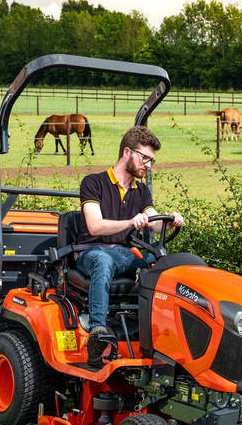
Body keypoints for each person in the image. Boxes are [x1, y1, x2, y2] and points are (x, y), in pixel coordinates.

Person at [75, 125, 184, 366]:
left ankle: (160, 332)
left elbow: (155, 223)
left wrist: (170, 221)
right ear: (127, 152)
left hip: (125, 254)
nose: (148, 165)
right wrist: (130, 222)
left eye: (151, 160)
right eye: (145, 158)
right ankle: (98, 333)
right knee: (103, 260)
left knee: (162, 264)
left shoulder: (141, 190)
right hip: (91, 252)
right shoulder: (93, 183)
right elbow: (94, 226)